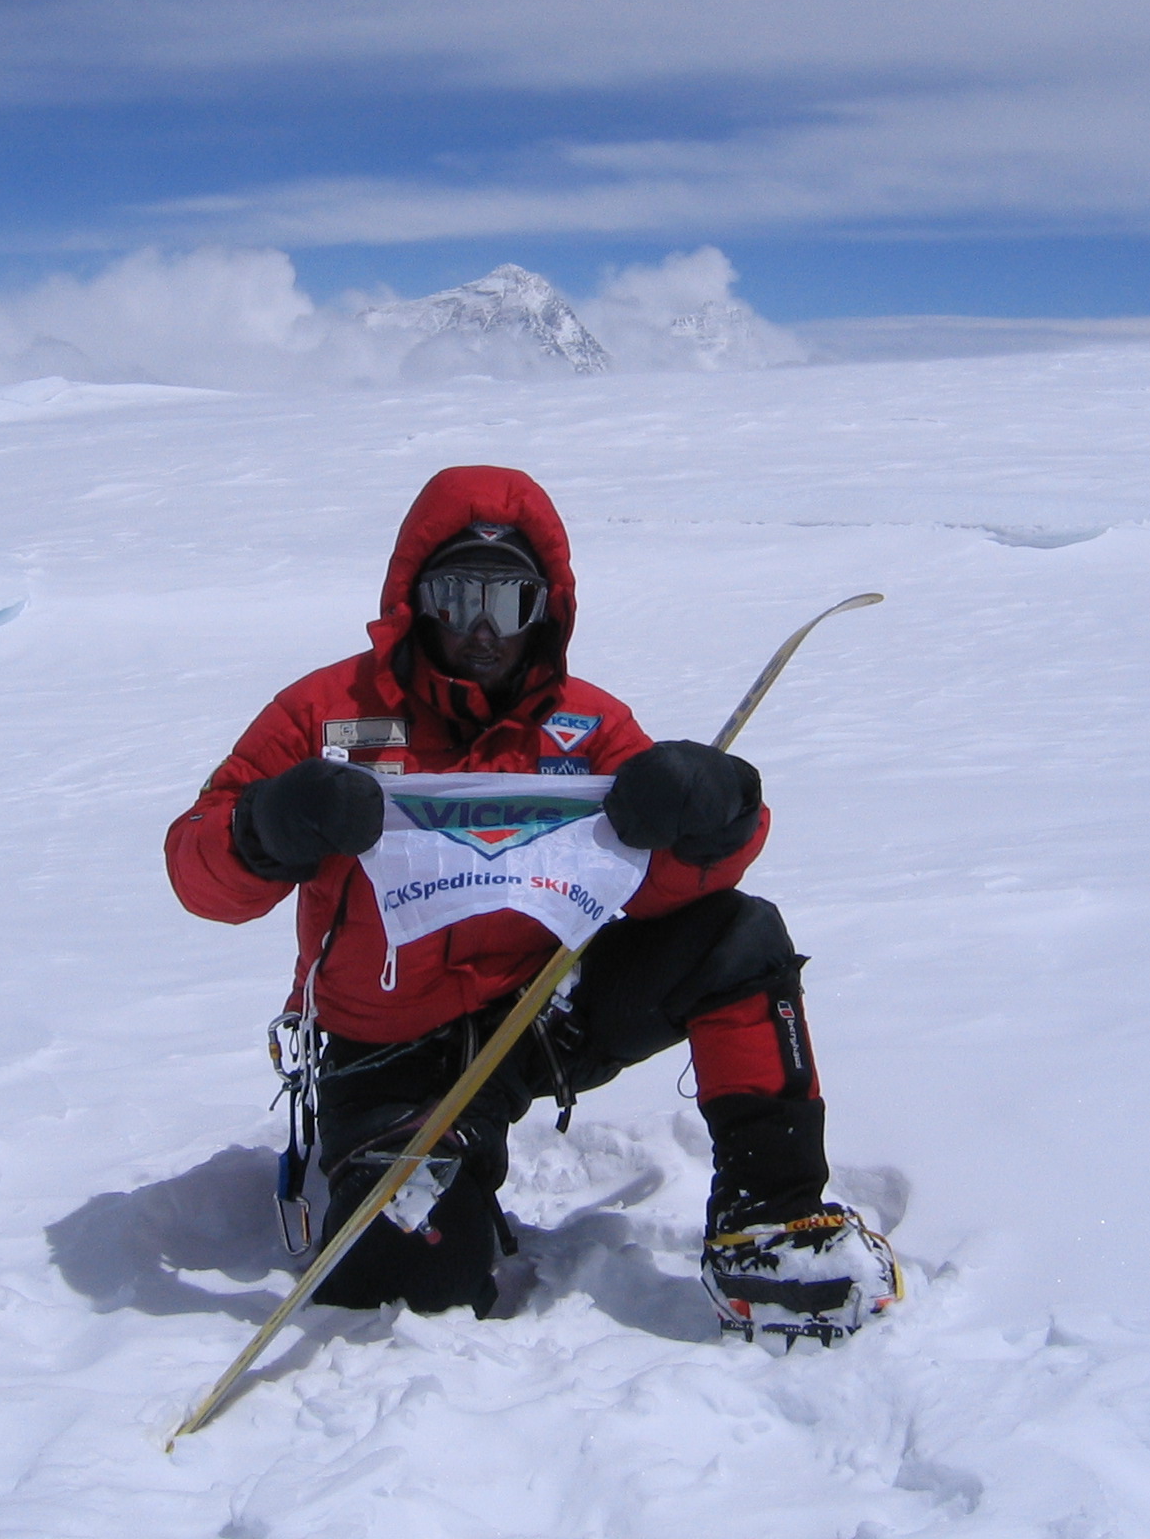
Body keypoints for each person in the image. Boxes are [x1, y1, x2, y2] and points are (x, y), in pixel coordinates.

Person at [165, 465, 897, 1341]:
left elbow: (653, 884)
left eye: (508, 601)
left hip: (542, 1010)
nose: (481, 629)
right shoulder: (326, 715)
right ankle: (424, 1172)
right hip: (386, 1052)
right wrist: (265, 826)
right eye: (456, 597)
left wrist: (713, 817)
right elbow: (195, 866)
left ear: (546, 606)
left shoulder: (584, 729)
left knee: (737, 938)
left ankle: (772, 1222)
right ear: (413, 599)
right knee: (414, 1286)